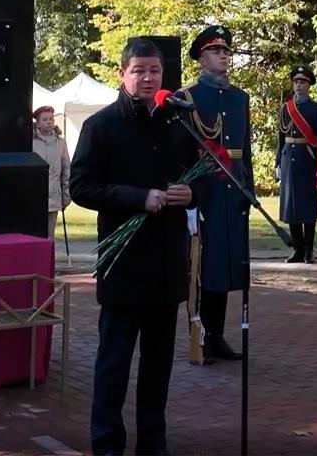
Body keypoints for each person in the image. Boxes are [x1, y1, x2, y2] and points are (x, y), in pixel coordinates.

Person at [69, 38, 198, 456]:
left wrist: (189, 194)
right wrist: (137, 197)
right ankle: (107, 445)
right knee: (114, 366)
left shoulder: (179, 124)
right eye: (139, 70)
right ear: (122, 74)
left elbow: (205, 177)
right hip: (124, 266)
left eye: (155, 71)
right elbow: (82, 187)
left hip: (165, 265)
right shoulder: (101, 126)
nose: (147, 78)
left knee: (158, 368)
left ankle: (152, 445)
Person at [181, 25, 250, 362]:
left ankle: (218, 334)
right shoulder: (190, 97)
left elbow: (243, 149)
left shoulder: (240, 98)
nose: (223, 56)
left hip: (232, 189)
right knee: (203, 265)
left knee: (226, 263)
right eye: (215, 51)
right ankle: (202, 334)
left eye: (225, 51)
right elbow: (183, 151)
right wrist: (189, 193)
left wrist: (246, 188)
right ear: (202, 58)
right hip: (205, 189)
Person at [277, 66, 317, 263]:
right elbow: (280, 137)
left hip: (308, 158)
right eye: (296, 82)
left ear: (309, 85)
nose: (298, 86)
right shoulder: (286, 108)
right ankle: (298, 249)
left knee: (308, 206)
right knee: (291, 207)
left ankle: (309, 249)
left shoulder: (316, 109)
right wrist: (278, 161)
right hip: (288, 158)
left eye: (302, 82)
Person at [32, 105, 71, 239]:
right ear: (37, 122)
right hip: (34, 197)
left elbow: (66, 170)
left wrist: (66, 195)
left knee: (49, 237)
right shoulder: (30, 142)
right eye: (45, 119)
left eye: (51, 119)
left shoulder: (61, 143)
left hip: (53, 196)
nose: (49, 122)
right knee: (34, 236)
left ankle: (49, 260)